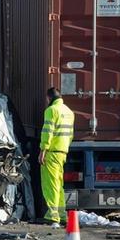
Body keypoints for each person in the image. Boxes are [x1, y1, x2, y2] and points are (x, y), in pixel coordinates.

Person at [38, 88, 75, 228]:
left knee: (50, 183)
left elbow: (48, 132)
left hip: (52, 151)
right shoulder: (69, 112)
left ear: (49, 98)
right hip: (62, 152)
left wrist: (43, 150)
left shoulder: (51, 110)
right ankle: (62, 214)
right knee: (59, 184)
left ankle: (52, 215)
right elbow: (70, 135)